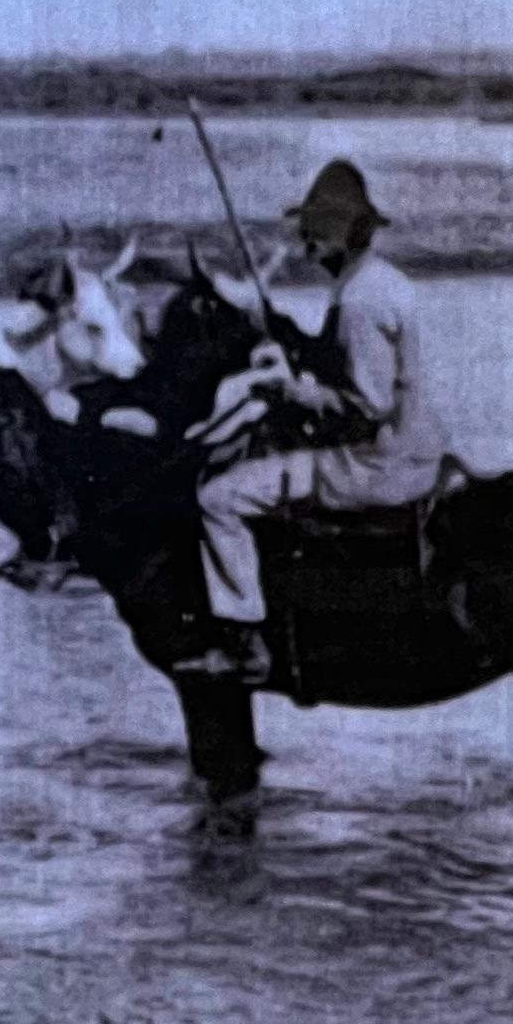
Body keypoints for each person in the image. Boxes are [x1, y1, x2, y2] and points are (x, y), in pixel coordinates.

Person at [183, 159, 444, 682]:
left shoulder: (355, 302)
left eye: (314, 240)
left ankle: (245, 641)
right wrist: (283, 330)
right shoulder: (384, 280)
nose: (306, 251)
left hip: (372, 464)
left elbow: (364, 407)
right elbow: (350, 364)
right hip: (419, 446)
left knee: (217, 498)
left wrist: (289, 390)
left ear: (339, 238)